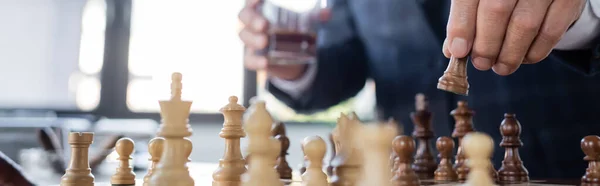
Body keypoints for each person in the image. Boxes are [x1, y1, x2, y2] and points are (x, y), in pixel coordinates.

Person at [239, 0, 600, 179]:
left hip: (559, 164)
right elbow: (345, 58)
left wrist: (586, 14)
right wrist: (294, 65)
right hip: (411, 168)